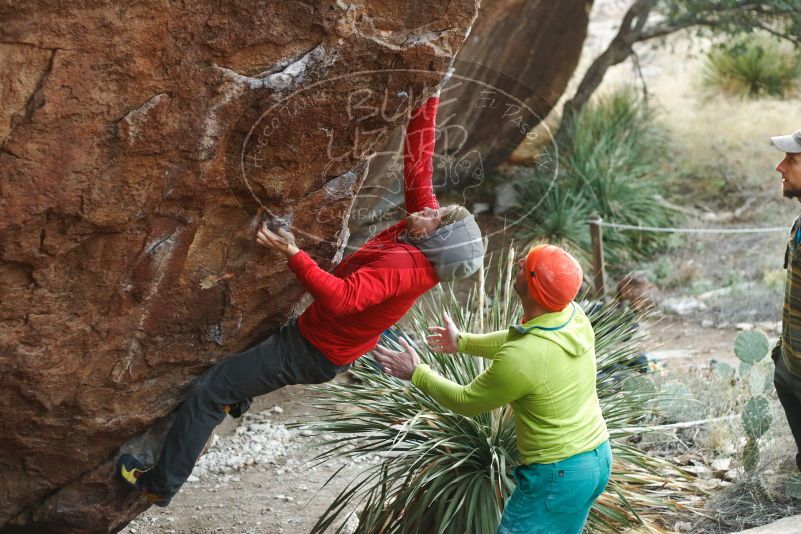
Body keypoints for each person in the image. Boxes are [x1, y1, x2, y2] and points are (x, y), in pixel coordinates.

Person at [117, 75, 485, 506]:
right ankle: (240, 396)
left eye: (433, 218)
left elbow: (342, 298)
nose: (425, 209)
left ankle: (159, 484)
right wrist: (431, 95)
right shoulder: (425, 231)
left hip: (311, 351)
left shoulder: (404, 267)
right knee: (244, 363)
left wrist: (293, 252)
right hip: (315, 337)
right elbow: (417, 168)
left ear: (436, 241)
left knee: (210, 389)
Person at [374, 244, 611, 534]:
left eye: (528, 266)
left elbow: (467, 401)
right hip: (596, 458)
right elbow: (521, 341)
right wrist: (462, 342)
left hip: (557, 474)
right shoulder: (572, 315)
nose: (521, 261)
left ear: (534, 288)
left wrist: (417, 373)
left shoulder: (523, 357)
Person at [771, 128, 801, 471]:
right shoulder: (798, 224)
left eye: (791, 160)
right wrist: (782, 359)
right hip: (791, 370)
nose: (780, 167)